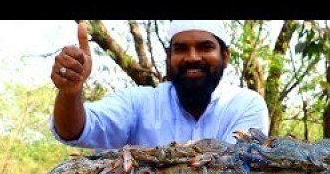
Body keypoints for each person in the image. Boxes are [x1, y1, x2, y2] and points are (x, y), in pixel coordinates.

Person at [49, 20, 270, 150]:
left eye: (205, 47)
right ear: (168, 57)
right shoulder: (139, 103)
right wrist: (70, 93)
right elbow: (75, 130)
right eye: (181, 49)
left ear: (225, 56)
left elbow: (236, 165)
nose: (192, 57)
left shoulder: (246, 105)